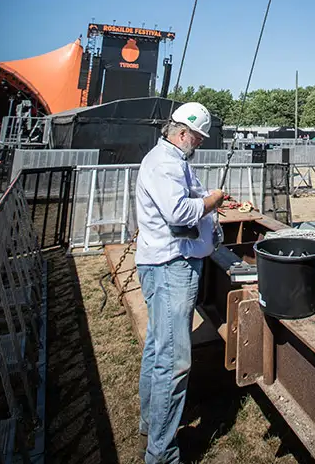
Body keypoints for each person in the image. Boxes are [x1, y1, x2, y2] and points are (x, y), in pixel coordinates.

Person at [134, 101, 231, 464]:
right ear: (183, 133)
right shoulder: (164, 164)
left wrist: (210, 212)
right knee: (174, 361)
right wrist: (213, 200)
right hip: (170, 267)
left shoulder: (174, 163)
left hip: (169, 264)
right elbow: (178, 212)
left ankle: (150, 426)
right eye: (199, 137)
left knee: (159, 349)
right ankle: (161, 453)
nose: (201, 144)